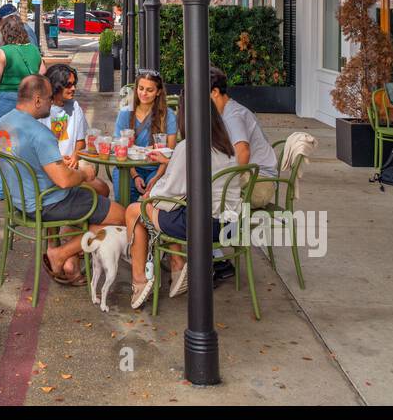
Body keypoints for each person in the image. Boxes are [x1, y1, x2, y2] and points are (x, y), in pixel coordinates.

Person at [0, 75, 125, 283]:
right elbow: (64, 181)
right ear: (37, 100)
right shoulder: (39, 132)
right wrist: (84, 173)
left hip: (19, 201)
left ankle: (71, 260)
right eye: (48, 98)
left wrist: (53, 161)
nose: (51, 102)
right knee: (122, 217)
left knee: (97, 192)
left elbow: (25, 159)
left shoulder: (2, 122)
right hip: (48, 203)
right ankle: (61, 253)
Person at [124, 94, 237, 308]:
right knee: (164, 211)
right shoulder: (226, 146)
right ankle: (177, 265)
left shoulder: (189, 147)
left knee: (135, 210)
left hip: (202, 227)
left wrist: (148, 195)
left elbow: (167, 192)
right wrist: (171, 161)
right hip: (230, 224)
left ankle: (140, 280)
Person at [0, 15, 46, 198]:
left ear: (5, 32)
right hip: (28, 101)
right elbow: (42, 72)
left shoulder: (4, 52)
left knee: (1, 144)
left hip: (8, 100)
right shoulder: (34, 50)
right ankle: (24, 186)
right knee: (25, 143)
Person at [44, 63, 110, 197]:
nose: (73, 88)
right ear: (56, 86)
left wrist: (75, 157)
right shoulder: (42, 110)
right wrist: (58, 159)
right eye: (68, 85)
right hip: (49, 167)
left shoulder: (75, 106)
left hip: (71, 166)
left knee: (103, 189)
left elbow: (81, 141)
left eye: (74, 84)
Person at [113, 70, 178, 203]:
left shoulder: (168, 115)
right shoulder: (125, 113)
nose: (144, 93)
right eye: (141, 88)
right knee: (122, 202)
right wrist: (135, 175)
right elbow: (119, 148)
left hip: (157, 168)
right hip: (128, 167)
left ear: (158, 92)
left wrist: (157, 176)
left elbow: (170, 154)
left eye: (149, 90)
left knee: (154, 203)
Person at [210, 65, 278, 178]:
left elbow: (243, 152)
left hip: (259, 177)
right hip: (255, 172)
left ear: (215, 92)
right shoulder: (228, 111)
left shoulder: (233, 115)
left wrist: (230, 181)